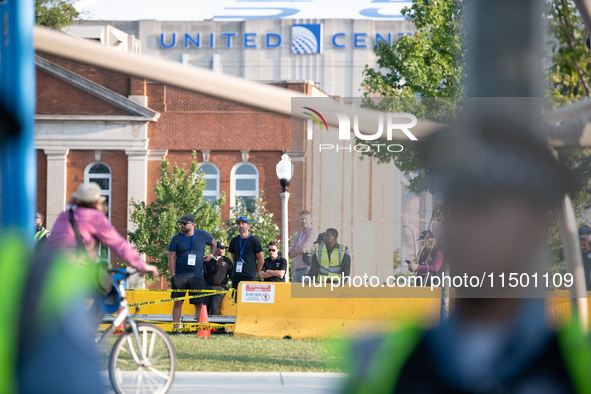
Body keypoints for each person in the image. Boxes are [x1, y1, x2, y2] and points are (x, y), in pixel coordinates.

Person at [345, 126, 591, 392]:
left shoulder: (580, 367)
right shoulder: (377, 361)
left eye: (483, 209)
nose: (462, 228)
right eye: (453, 211)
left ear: (535, 229)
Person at [44, 182, 158, 277]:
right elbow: (118, 244)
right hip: (69, 273)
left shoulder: (65, 215)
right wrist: (141, 265)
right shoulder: (94, 217)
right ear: (97, 202)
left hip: (44, 270)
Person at [168, 213, 216, 333]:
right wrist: (173, 275)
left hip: (197, 276)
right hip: (180, 276)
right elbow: (171, 257)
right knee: (178, 303)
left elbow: (214, 243)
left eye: (185, 223)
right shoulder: (176, 238)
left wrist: (211, 255)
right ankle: (175, 330)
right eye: (181, 223)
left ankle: (201, 330)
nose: (182, 225)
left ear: (193, 224)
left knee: (199, 304)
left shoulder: (203, 234)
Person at [229, 216, 264, 290]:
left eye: (243, 223)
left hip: (250, 277)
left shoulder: (255, 241)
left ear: (249, 226)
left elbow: (261, 261)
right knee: (236, 300)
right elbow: (234, 258)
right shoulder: (233, 241)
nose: (240, 225)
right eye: (238, 224)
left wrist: (254, 274)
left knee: (248, 301)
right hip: (236, 277)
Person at [288, 210, 318, 283]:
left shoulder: (312, 231)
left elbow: (304, 249)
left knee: (307, 294)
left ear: (310, 220)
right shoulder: (298, 234)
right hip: (297, 271)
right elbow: (290, 254)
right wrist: (297, 249)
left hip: (307, 269)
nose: (303, 221)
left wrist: (295, 248)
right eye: (301, 219)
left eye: (306, 219)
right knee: (296, 294)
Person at [204, 242, 233, 316]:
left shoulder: (227, 261)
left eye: (224, 249)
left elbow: (232, 275)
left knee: (214, 307)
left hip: (220, 288)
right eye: (221, 248)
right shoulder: (208, 260)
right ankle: (203, 327)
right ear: (216, 249)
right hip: (207, 287)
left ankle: (213, 327)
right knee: (204, 308)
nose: (223, 250)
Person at [558, 224, 591, 289]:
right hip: (577, 291)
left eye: (584, 244)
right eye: (580, 245)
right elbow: (561, 255)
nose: (582, 247)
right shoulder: (576, 251)